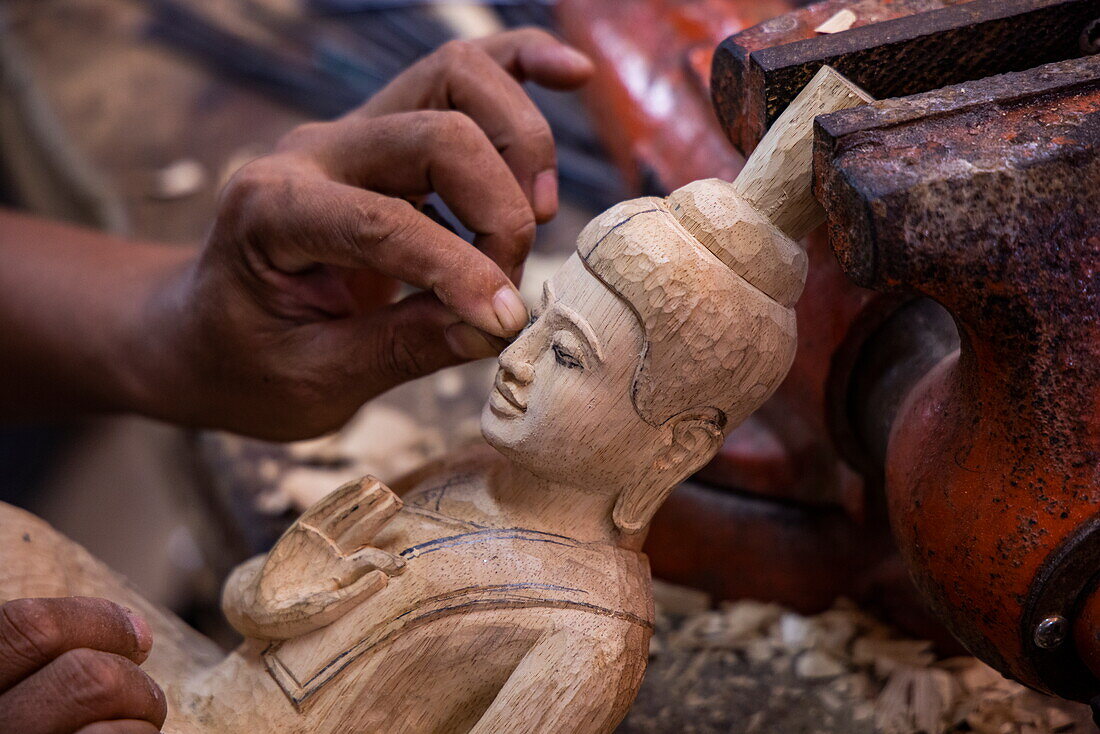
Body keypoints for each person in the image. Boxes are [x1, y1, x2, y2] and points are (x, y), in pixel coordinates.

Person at [0, 29, 593, 734]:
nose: (520, 362)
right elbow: (245, 617)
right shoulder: (450, 495)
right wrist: (283, 593)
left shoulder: (588, 623)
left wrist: (173, 330)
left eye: (579, 355)